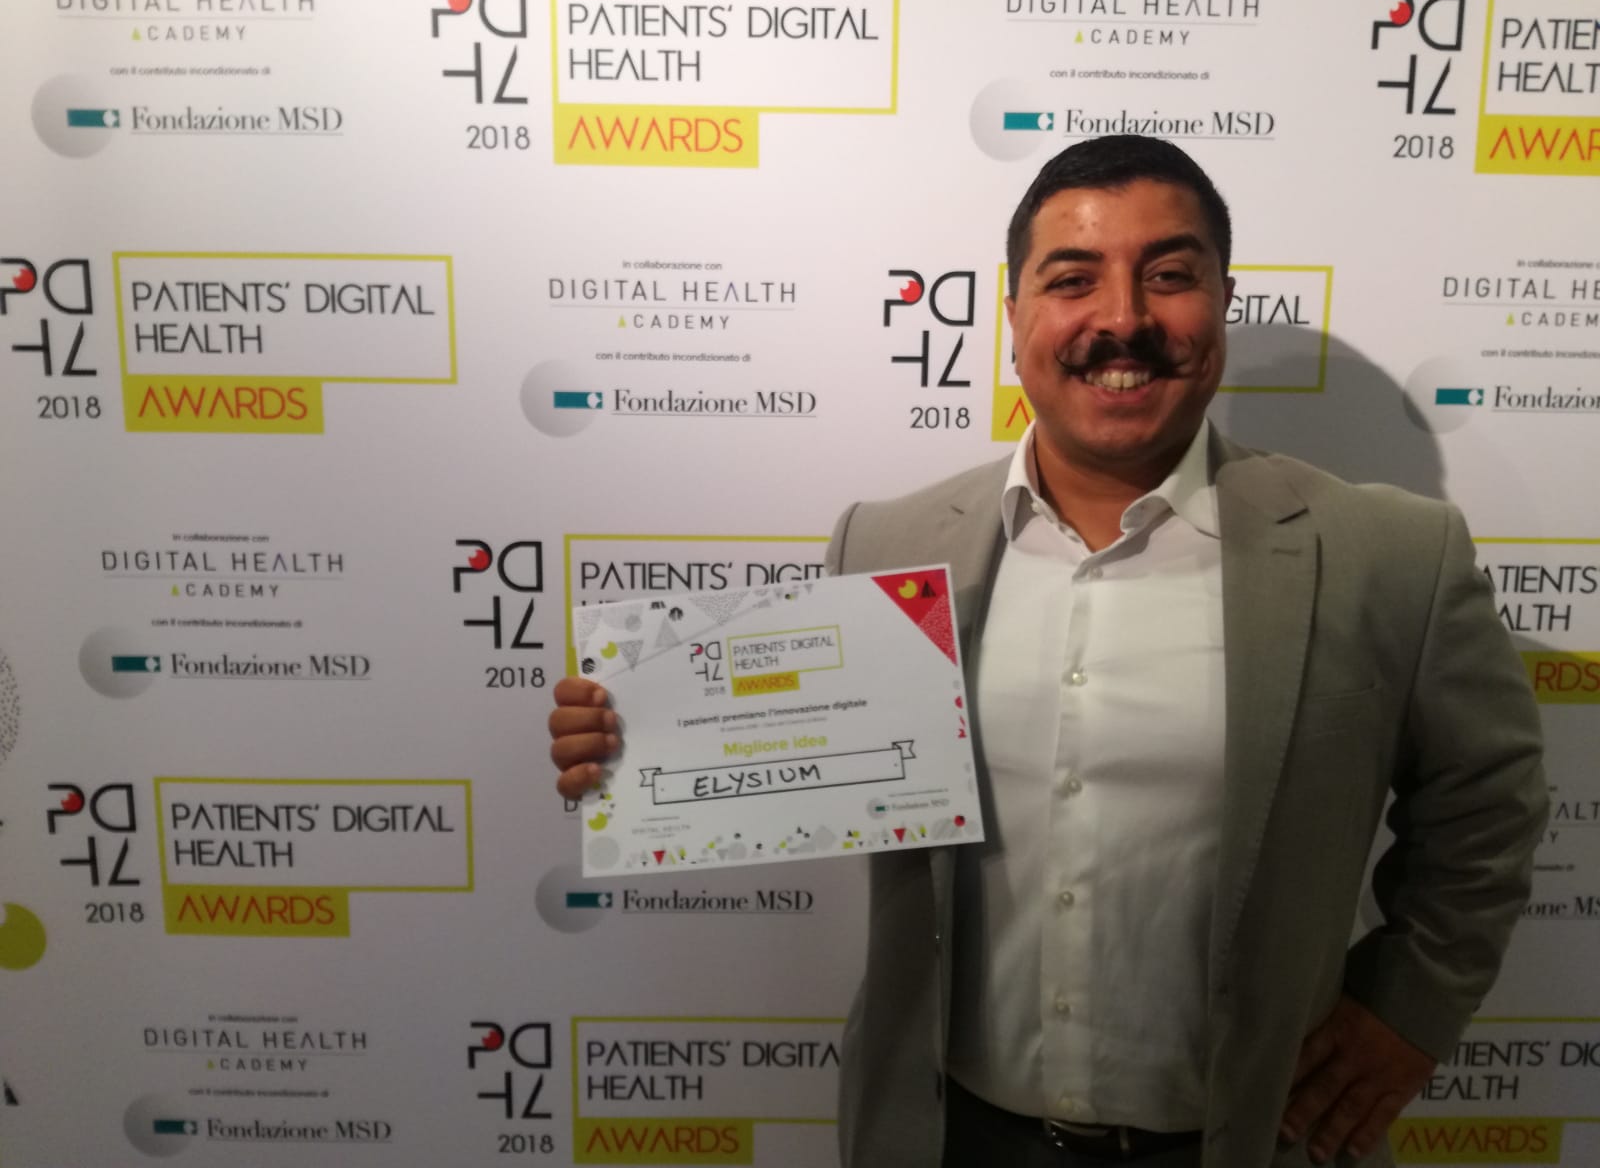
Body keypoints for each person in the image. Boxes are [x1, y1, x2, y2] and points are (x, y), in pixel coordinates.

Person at [549, 136, 1546, 1167]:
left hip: (1252, 1142)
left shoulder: (1386, 554)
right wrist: (635, 744)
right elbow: (804, 758)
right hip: (950, 1139)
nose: (1122, 317)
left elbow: (1490, 802)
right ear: (1014, 315)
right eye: (1072, 280)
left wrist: (1407, 1010)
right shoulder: (887, 546)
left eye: (1169, 274)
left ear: (1222, 301)